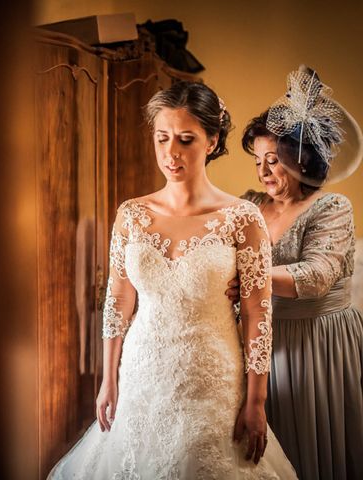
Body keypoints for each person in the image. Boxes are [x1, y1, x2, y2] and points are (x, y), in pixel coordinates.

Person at [48, 81, 297, 478]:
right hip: (143, 373)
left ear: (212, 142)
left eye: (185, 139)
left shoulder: (242, 218)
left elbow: (256, 315)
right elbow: (118, 302)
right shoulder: (131, 214)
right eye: (162, 138)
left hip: (212, 378)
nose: (171, 153)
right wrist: (108, 379)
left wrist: (256, 399)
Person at [226, 67, 363, 480]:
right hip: (260, 337)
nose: (264, 171)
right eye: (258, 161)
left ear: (302, 160)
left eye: (275, 160)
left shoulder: (332, 207)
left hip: (317, 342)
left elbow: (318, 274)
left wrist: (250, 275)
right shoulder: (247, 205)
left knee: (312, 443)